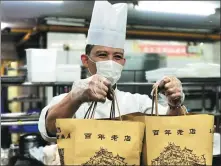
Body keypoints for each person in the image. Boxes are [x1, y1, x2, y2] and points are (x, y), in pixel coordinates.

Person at [38, 1, 185, 143]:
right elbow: (50, 129)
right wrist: (76, 97)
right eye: (102, 55)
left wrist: (174, 103)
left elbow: (171, 127)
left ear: (123, 63)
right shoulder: (66, 101)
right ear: (85, 60)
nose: (111, 62)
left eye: (117, 56)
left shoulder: (136, 103)